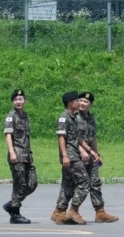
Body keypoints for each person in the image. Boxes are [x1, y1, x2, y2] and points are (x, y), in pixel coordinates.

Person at [50, 90, 96, 225]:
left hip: (74, 154)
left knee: (68, 184)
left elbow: (78, 138)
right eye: (76, 100)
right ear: (70, 103)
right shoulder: (64, 118)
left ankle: (59, 211)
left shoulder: (74, 117)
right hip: (71, 156)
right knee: (84, 182)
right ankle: (74, 210)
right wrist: (65, 156)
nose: (78, 102)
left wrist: (91, 151)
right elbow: (61, 137)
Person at [76, 91, 119, 223]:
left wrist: (97, 154)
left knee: (95, 183)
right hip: (78, 155)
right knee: (78, 185)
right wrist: (83, 151)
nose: (82, 104)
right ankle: (67, 211)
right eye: (81, 101)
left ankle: (100, 212)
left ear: (91, 105)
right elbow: (74, 138)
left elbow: (92, 137)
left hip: (91, 155)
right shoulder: (74, 117)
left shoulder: (90, 117)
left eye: (86, 102)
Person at [2, 88, 38, 224]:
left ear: (25, 101)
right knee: (20, 184)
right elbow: (8, 134)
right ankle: (15, 214)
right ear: (12, 102)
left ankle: (11, 204)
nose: (18, 102)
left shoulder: (25, 116)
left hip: (27, 155)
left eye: (21, 99)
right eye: (16, 99)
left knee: (32, 183)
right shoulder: (11, 116)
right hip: (16, 154)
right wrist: (11, 152)